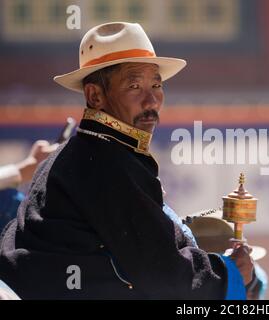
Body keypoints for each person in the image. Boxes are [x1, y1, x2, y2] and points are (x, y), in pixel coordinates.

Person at [0, 22, 254, 299]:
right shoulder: (106, 164)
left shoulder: (85, 152)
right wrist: (230, 271)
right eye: (135, 85)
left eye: (156, 84)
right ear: (95, 95)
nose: (151, 100)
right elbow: (163, 275)